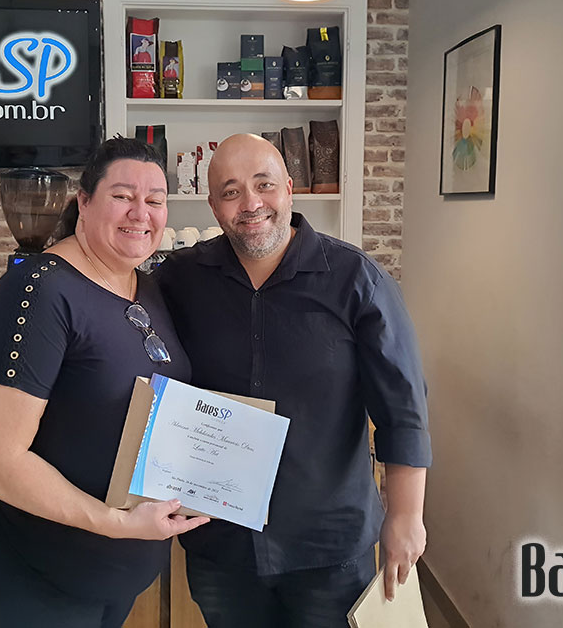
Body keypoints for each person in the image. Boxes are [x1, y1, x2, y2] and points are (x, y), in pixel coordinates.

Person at [154, 134, 431, 628]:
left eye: (264, 185)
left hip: (328, 544)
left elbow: (403, 406)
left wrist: (406, 516)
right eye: (231, 191)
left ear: (288, 188)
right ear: (213, 205)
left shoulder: (356, 279)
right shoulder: (179, 278)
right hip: (222, 541)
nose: (250, 203)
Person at [0, 137, 209, 628]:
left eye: (155, 200)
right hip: (45, 566)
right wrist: (115, 522)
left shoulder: (144, 285)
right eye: (122, 196)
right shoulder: (38, 292)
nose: (141, 213)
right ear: (85, 202)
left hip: (116, 563)